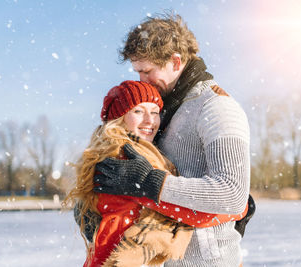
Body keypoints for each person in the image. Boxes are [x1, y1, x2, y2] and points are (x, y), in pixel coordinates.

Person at [93, 13, 253, 267]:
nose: (142, 80)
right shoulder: (164, 110)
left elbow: (232, 193)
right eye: (137, 72)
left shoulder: (216, 107)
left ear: (176, 62)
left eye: (147, 71)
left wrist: (148, 183)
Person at [65, 80, 250, 267]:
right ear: (119, 117)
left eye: (155, 112)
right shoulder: (125, 160)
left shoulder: (110, 152)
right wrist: (237, 209)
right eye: (138, 111)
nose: (150, 120)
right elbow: (193, 215)